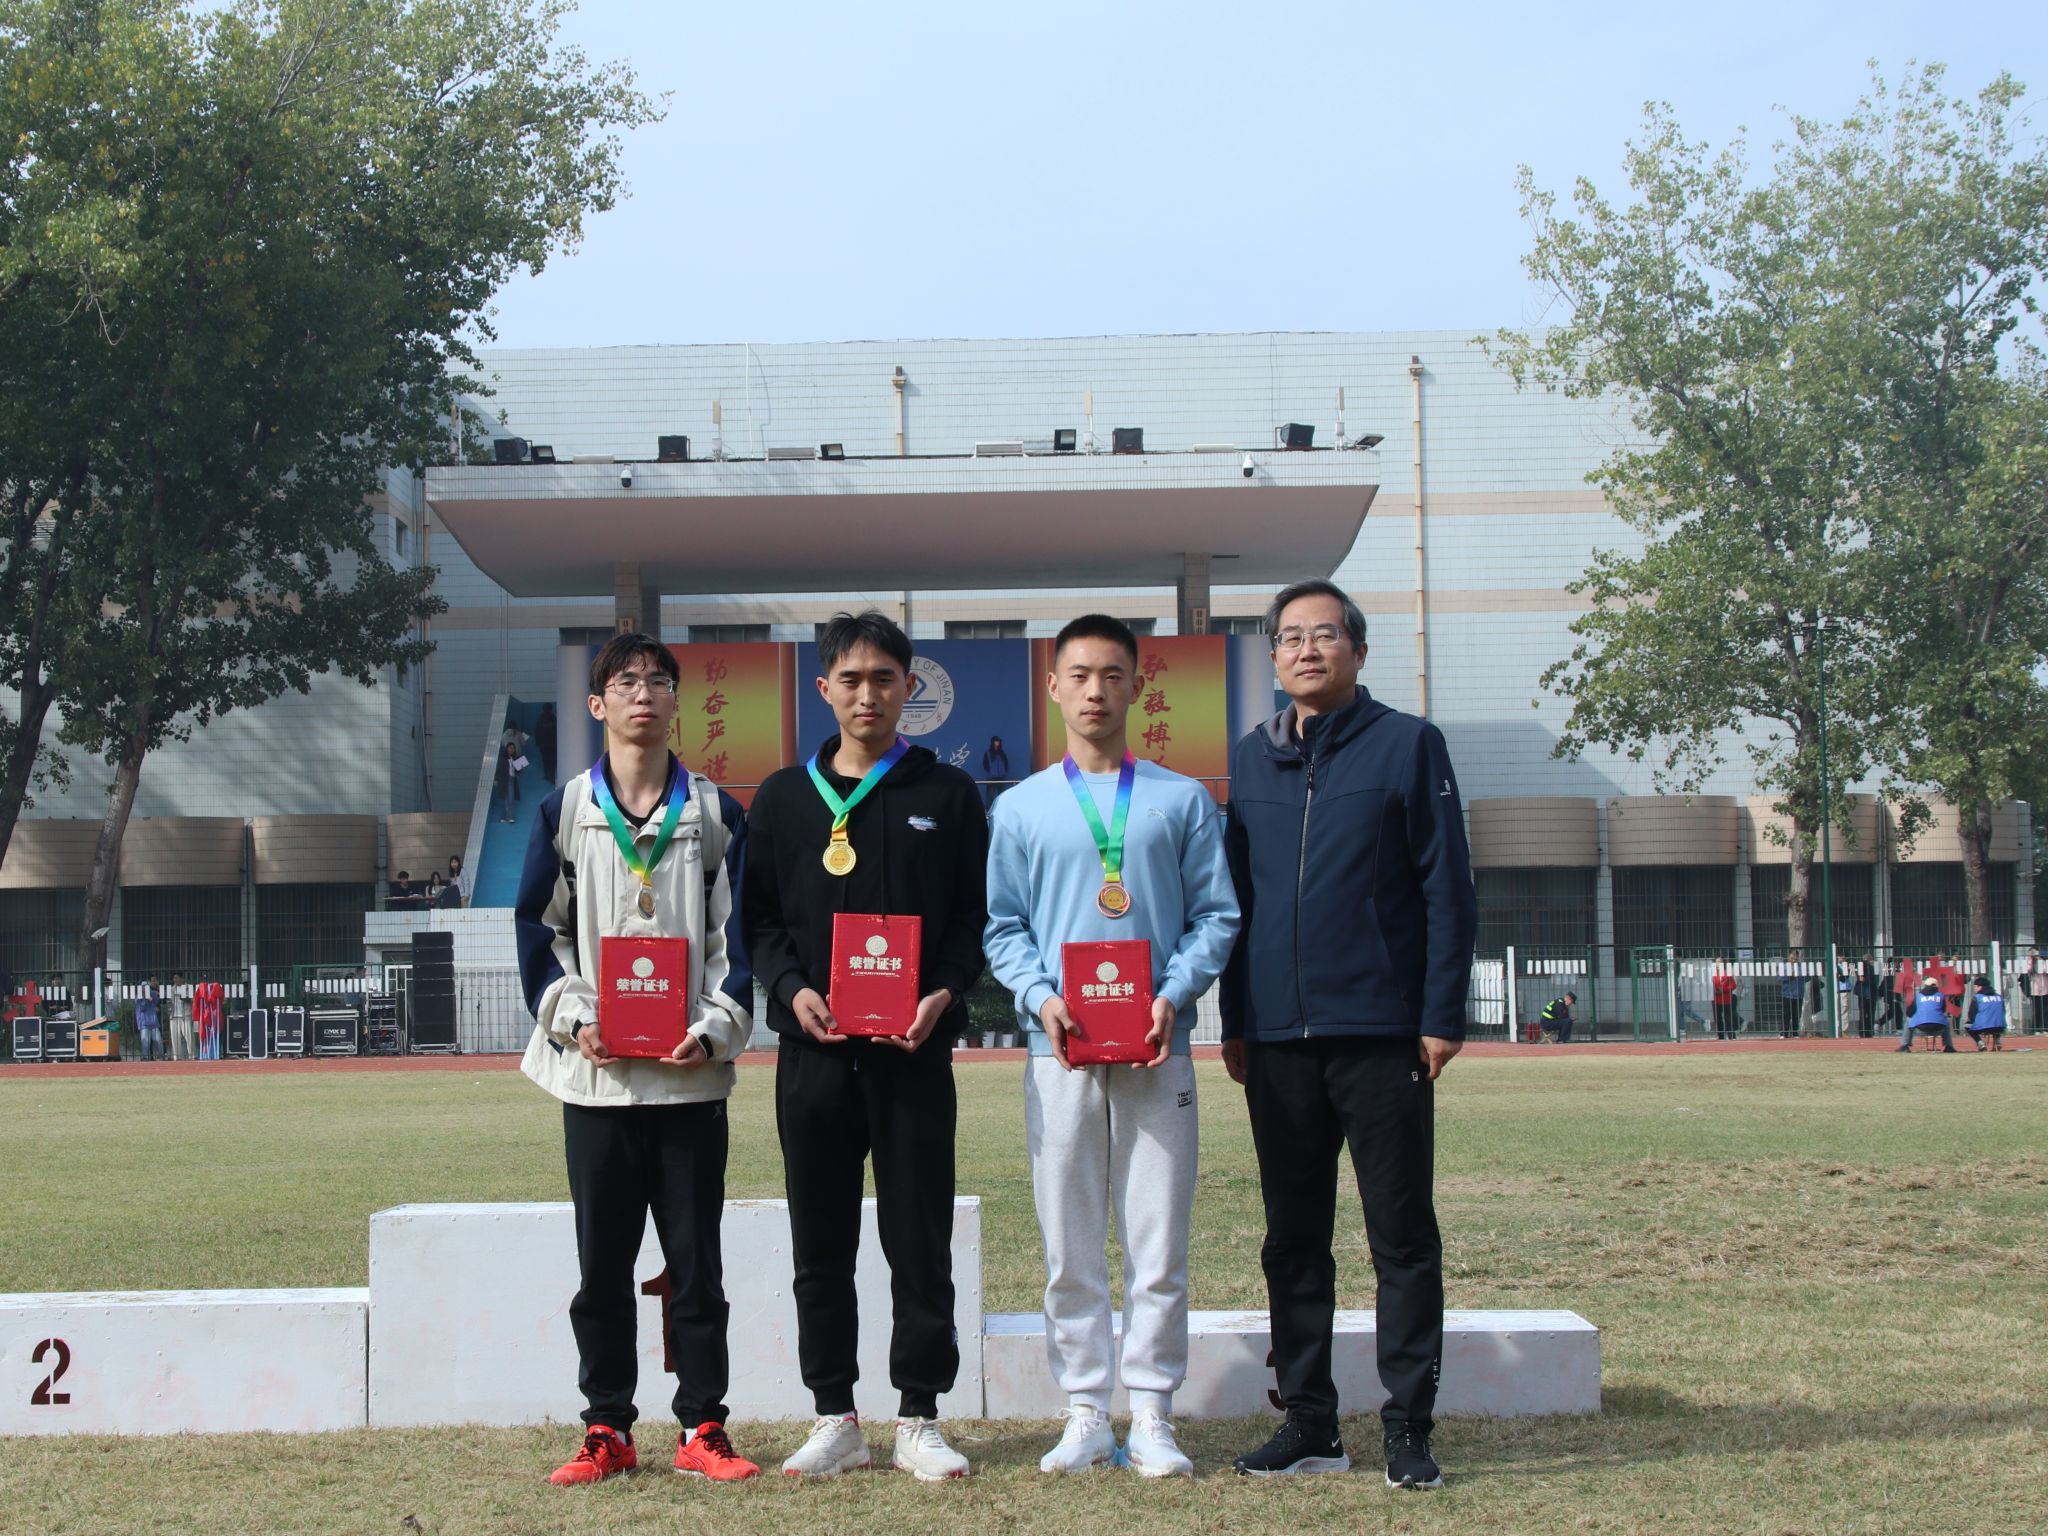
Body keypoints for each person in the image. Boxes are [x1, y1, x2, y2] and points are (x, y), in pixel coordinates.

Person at [1219, 579, 1476, 1492]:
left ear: (1358, 652)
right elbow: (1238, 901)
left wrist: (1440, 1014)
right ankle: (1310, 1423)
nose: (1307, 650)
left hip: (1381, 1033)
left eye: (1325, 635)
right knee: (1292, 1238)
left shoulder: (1409, 745)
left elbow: (1448, 886)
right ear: (1273, 656)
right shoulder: (1250, 759)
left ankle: (1408, 1427)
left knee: (1400, 1234)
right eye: (1290, 637)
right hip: (1277, 1040)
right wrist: (1236, 1018)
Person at [984, 614, 1239, 1479]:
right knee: (1070, 1239)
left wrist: (1173, 994)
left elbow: (1217, 915)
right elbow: (1004, 927)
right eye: (1080, 675)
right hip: (1057, 1050)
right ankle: (1088, 1409)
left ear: (1137, 686)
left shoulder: (1181, 799)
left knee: (1157, 1238)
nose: (1096, 690)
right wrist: (1041, 998)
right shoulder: (1020, 807)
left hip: (1157, 1047)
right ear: (1054, 687)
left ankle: (1155, 1412)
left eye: (1112, 674)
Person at [744, 610, 989, 1482]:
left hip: (913, 1055)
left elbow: (971, 918)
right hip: (813, 1056)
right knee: (821, 1242)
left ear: (908, 687)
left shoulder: (947, 795)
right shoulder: (782, 798)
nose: (868, 694)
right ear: (824, 689)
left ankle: (919, 1415)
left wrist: (944, 990)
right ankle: (835, 1416)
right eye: (850, 679)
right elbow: (758, 923)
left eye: (885, 678)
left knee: (919, 1238)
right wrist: (791, 989)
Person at [514, 631, 760, 1486]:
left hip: (689, 1081)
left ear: (676, 701)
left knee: (698, 1267)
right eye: (625, 682)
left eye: (658, 681)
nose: (642, 694)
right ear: (597, 704)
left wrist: (716, 1025)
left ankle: (703, 1426)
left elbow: (740, 937)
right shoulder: (566, 810)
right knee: (602, 1270)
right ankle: (607, 1427)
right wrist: (574, 1017)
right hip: (598, 1081)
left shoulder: (716, 813)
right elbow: (536, 928)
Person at [1897, 977, 1956, 1053]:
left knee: (1908, 1020)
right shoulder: (1941, 996)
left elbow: (1909, 1013)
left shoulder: (1918, 996)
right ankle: (1949, 1046)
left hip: (1920, 1030)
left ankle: (1904, 1046)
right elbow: (1943, 1010)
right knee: (1946, 1020)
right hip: (1938, 1029)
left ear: (1925, 986)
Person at [1962, 976, 2007, 1052]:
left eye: (1975, 987)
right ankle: (1997, 1040)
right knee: (1995, 1022)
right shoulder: (1999, 996)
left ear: (1980, 987)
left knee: (1967, 1025)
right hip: (2000, 1026)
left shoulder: (1977, 997)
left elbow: (1971, 1014)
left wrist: (1972, 1021)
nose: (1974, 989)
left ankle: (1980, 1043)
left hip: (1983, 1027)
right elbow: (2003, 1011)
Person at [167, 972, 196, 1061]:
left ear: (182, 979)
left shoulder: (188, 988)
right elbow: (168, 1001)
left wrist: (186, 998)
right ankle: (177, 1056)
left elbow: (193, 1000)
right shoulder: (171, 989)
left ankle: (192, 1055)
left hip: (185, 1014)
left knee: (189, 1036)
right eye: (174, 978)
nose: (175, 980)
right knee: (175, 1037)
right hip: (174, 1015)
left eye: (177, 978)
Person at [134, 979, 164, 1061]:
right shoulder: (138, 997)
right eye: (144, 987)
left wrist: (157, 992)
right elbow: (141, 1008)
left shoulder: (152, 994)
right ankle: (145, 1057)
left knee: (158, 1040)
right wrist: (146, 998)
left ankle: (160, 1056)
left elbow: (158, 1000)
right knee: (145, 1041)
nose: (145, 989)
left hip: (153, 1021)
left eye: (147, 987)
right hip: (144, 1022)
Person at [981, 734, 1012, 811]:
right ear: (993, 742)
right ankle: (989, 811)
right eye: (996, 741)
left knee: (1002, 795)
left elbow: (1006, 762)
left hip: (1001, 777)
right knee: (990, 796)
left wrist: (1004, 771)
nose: (998, 743)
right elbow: (985, 764)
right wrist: (990, 771)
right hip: (991, 777)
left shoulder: (1002, 752)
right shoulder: (988, 753)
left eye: (998, 741)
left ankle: (1002, 810)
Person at [1711, 964, 1739, 1040]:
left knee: (1728, 1017)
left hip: (1726, 998)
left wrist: (1724, 989)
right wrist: (1714, 990)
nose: (1717, 965)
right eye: (1716, 963)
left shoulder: (1727, 973)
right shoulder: (1712, 974)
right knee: (1717, 1018)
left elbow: (1733, 985)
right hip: (1716, 999)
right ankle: (1720, 1035)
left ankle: (1731, 1035)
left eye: (1719, 962)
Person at [2025, 947, 2048, 1036]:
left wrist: (2041, 959)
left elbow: (2045, 969)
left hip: (2045, 989)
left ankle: (2045, 1028)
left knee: (2045, 1010)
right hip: (2035, 990)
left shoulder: (2044, 961)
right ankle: (2036, 1028)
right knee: (2036, 1010)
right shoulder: (2030, 961)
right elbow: (2028, 969)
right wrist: (2031, 958)